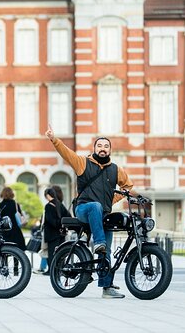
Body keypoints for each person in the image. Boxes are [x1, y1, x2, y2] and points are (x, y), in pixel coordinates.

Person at [46, 124, 134, 299]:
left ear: (110, 150)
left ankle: (107, 288)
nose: (103, 149)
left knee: (106, 252)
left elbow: (128, 187)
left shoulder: (116, 169)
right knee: (95, 206)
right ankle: (98, 241)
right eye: (99, 146)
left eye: (106, 146)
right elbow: (66, 153)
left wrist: (111, 200)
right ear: (94, 149)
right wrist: (53, 139)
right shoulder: (83, 163)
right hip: (83, 209)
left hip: (103, 215)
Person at [43, 187, 70, 275]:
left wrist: (57, 223)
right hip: (61, 233)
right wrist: (62, 224)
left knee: (51, 253)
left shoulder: (48, 206)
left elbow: (50, 220)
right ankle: (60, 269)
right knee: (61, 252)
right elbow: (68, 217)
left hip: (51, 234)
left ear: (48, 195)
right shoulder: (60, 204)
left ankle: (52, 270)